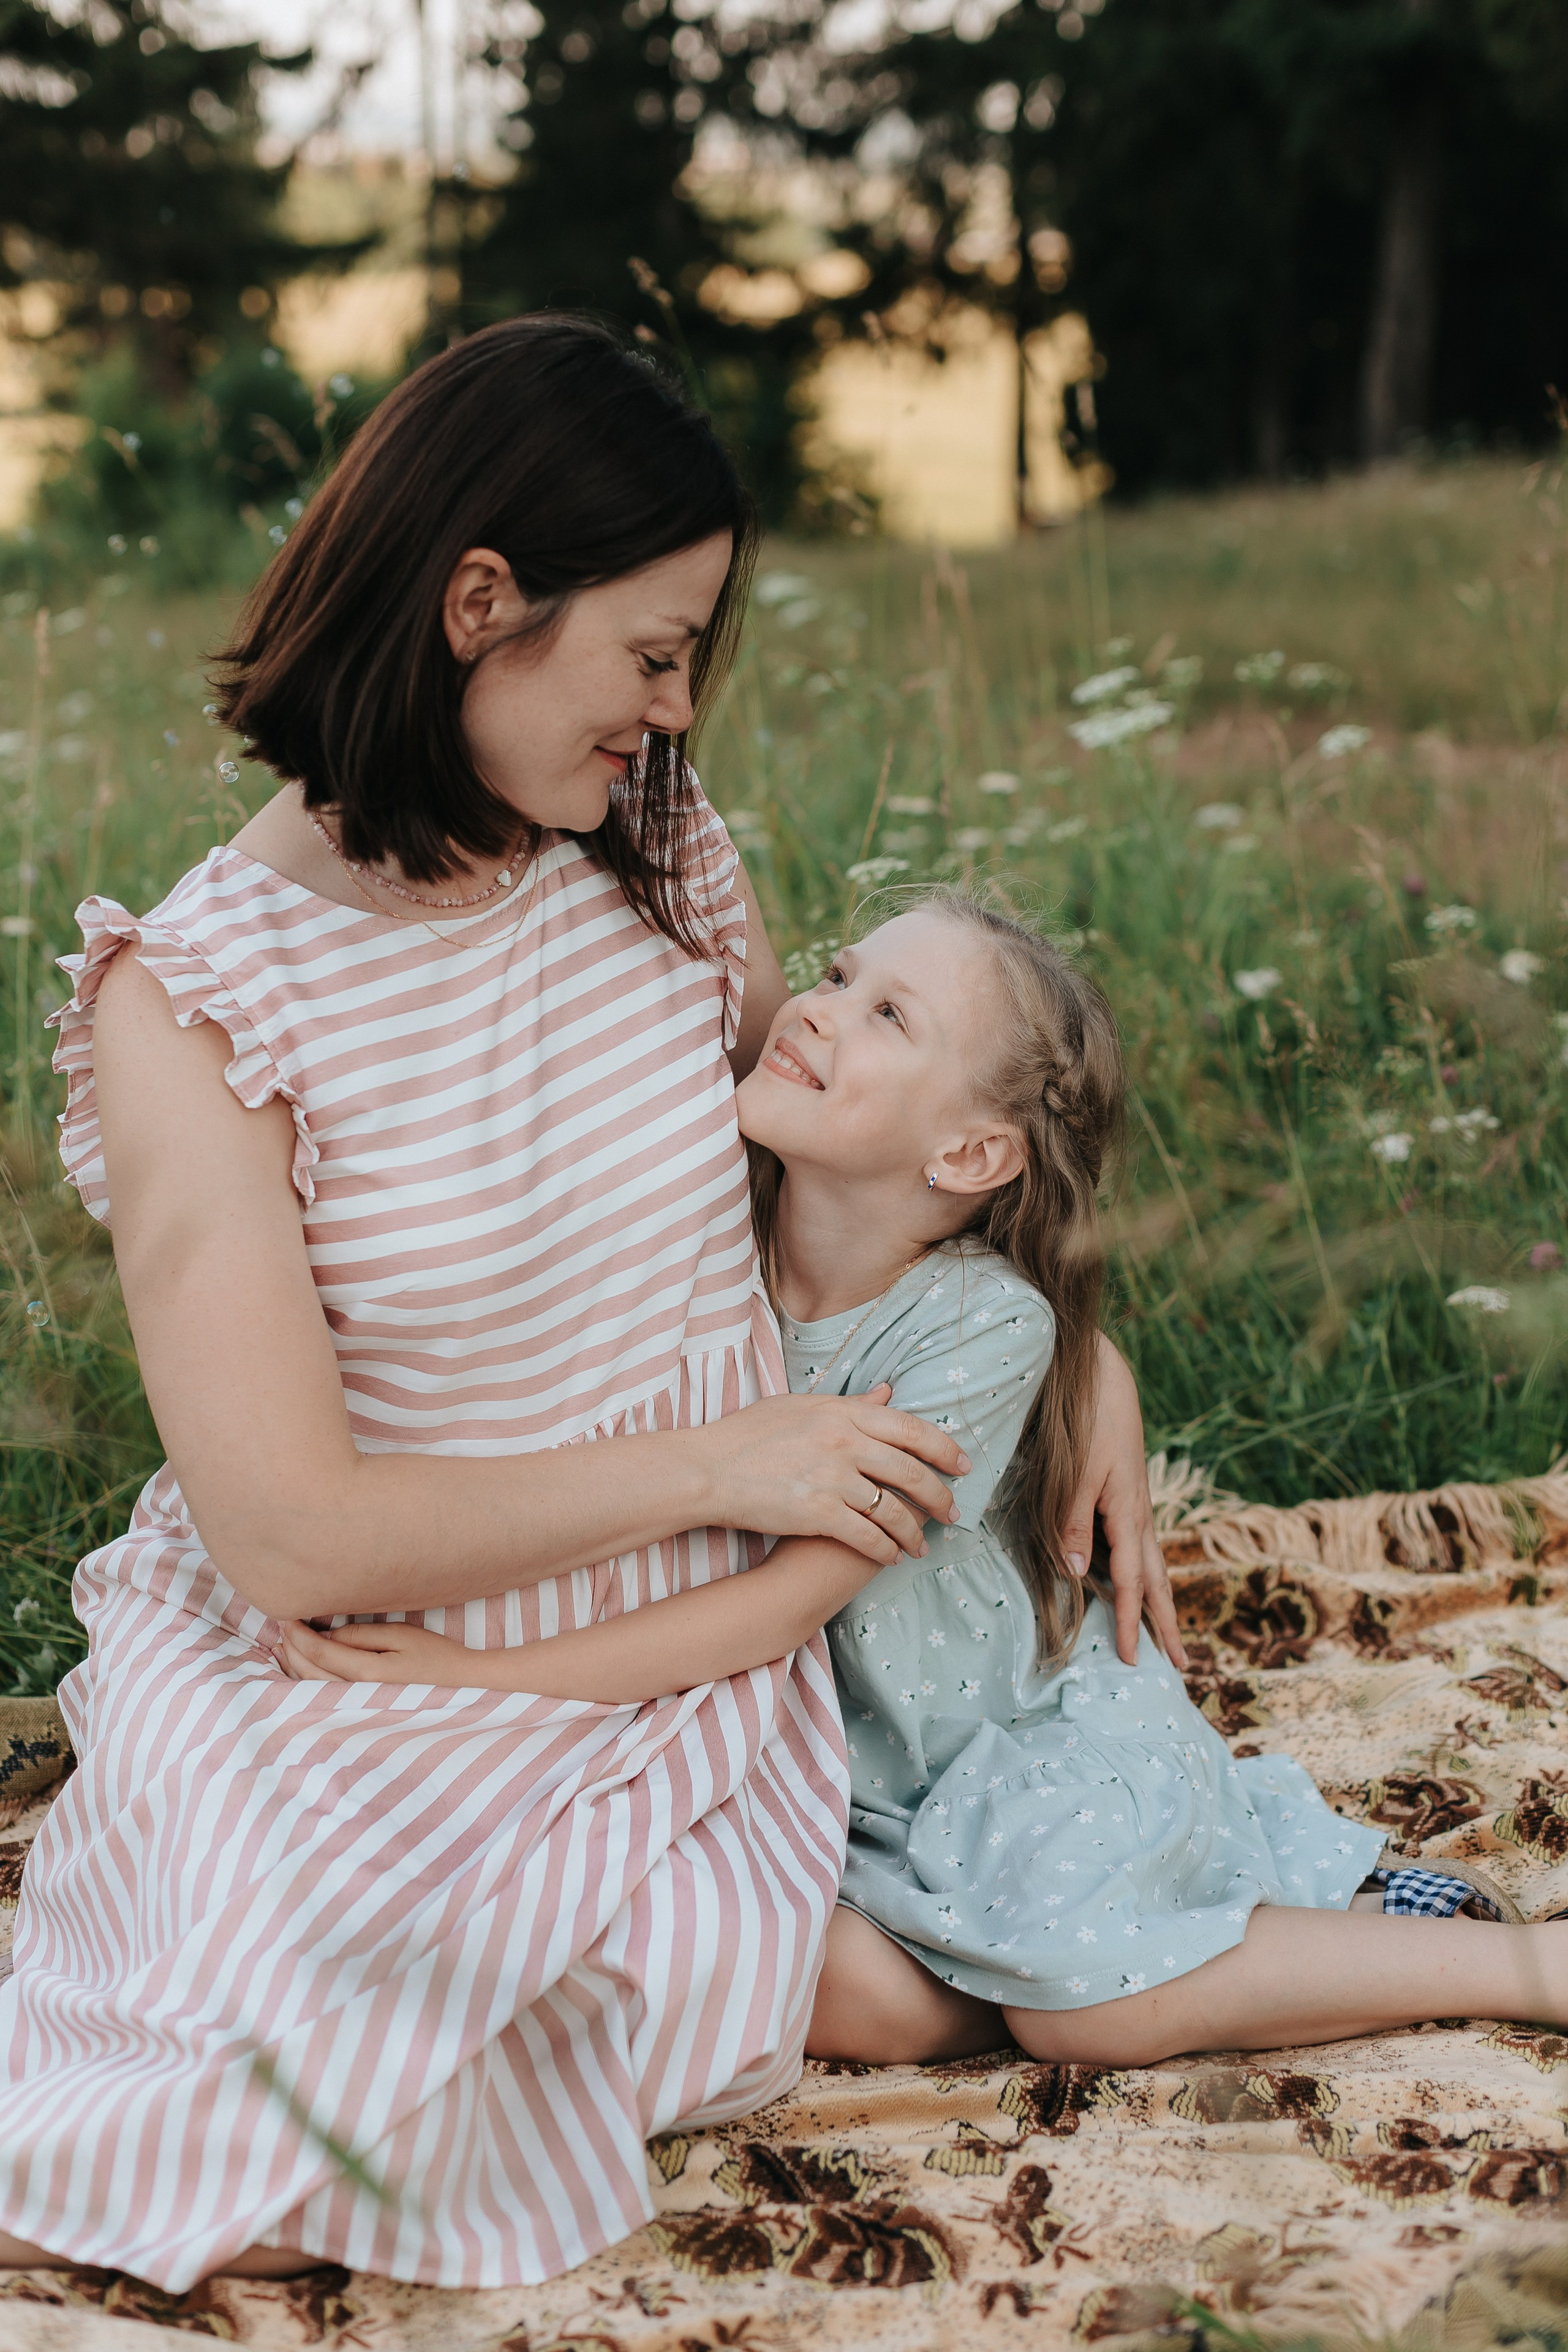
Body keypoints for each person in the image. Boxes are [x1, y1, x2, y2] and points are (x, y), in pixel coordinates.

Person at [0, 317, 1172, 2294]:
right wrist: (732, 1456)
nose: (677, 706)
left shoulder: (644, 849)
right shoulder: (194, 1007)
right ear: (480, 606)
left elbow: (833, 1175)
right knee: (321, 2047)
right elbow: (292, 1536)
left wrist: (1074, 1347)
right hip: (369, 1660)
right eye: (651, 651)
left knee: (827, 1985)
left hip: (700, 1636)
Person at [285, 892, 1567, 2064]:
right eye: (840, 975)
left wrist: (484, 1683)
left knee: (1103, 2016)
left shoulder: (975, 1330)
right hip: (841, 1782)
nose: (817, 1007)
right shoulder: (710, 1238)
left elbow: (783, 1605)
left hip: (1002, 1757)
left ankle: (1505, 1964)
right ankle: (1150, 1946)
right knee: (849, 1996)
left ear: (966, 1158)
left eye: (884, 1013)